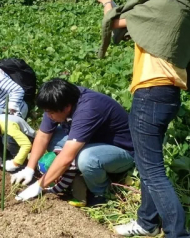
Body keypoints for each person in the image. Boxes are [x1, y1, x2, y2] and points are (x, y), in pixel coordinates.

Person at [95, 0, 190, 236]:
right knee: (150, 164)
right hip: (170, 95)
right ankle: (147, 223)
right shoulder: (184, 10)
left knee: (153, 172)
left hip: (150, 94)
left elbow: (114, 22)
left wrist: (107, 2)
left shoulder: (162, 6)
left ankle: (178, 234)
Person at [12, 79, 134, 207]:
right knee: (53, 137)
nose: (49, 116)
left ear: (67, 107)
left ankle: (101, 193)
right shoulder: (60, 99)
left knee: (87, 158)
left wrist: (40, 185)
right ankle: (76, 173)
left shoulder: (88, 109)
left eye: (51, 113)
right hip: (92, 141)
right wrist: (29, 168)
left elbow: (66, 157)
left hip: (121, 151)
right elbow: (43, 135)